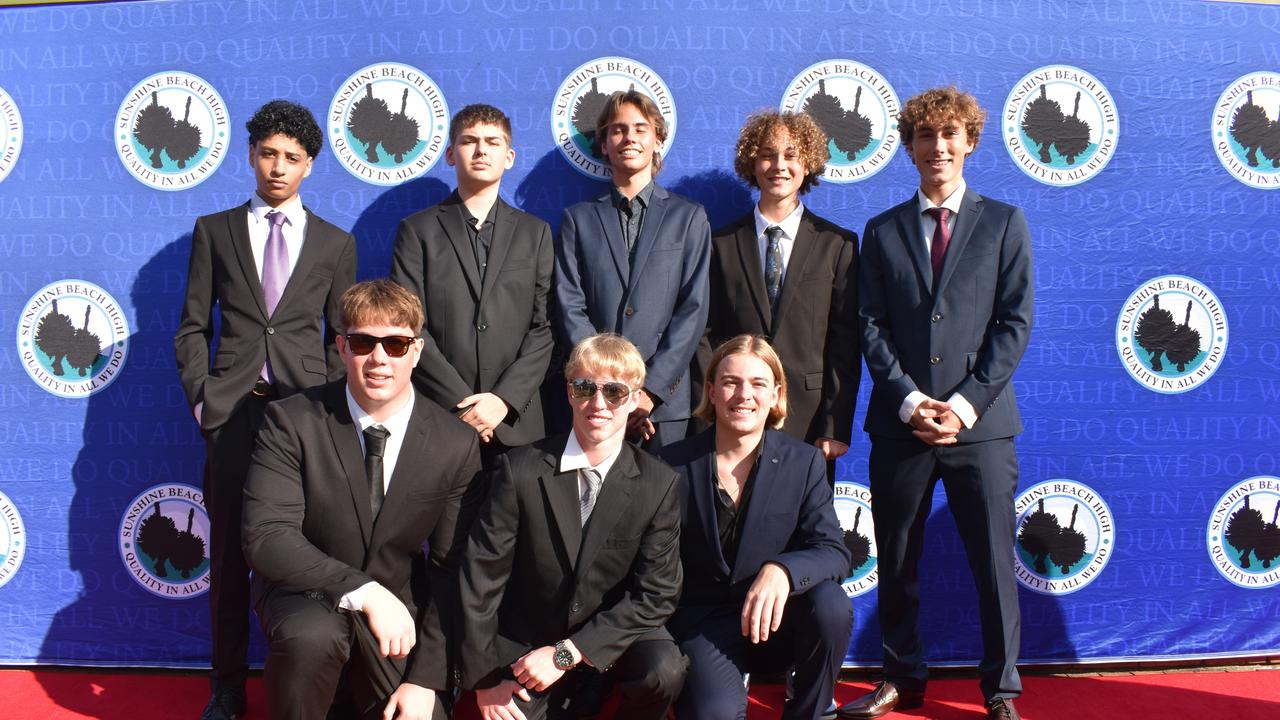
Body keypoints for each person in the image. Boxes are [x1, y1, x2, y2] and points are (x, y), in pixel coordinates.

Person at [837, 87, 1033, 720]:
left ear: (970, 143)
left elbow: (1014, 324)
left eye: (949, 135)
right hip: (903, 428)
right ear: (909, 148)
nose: (938, 147)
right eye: (925, 137)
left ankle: (1001, 692)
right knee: (895, 561)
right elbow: (869, 326)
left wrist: (965, 406)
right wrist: (912, 402)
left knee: (994, 567)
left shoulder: (1004, 223)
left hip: (980, 429)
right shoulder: (882, 230)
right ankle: (902, 677)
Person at [173, 99, 357, 720]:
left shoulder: (335, 243)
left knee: (316, 546)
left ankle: (321, 681)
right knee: (226, 554)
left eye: (292, 158)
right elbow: (191, 328)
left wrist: (338, 412)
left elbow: (342, 340)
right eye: (268, 154)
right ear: (250, 155)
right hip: (234, 412)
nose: (278, 167)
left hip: (308, 418)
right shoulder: (215, 231)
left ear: (310, 166)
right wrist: (204, 396)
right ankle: (226, 688)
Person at [242, 279, 483, 719]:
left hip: (399, 612)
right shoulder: (291, 421)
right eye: (362, 343)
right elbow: (267, 537)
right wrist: (363, 590)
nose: (378, 359)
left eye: (394, 344)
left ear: (416, 350)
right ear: (340, 347)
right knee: (311, 636)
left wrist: (424, 679)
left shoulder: (455, 443)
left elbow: (452, 570)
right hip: (307, 594)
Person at [459, 333, 687, 720]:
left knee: (663, 670)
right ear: (568, 392)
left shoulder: (658, 483)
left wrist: (570, 653)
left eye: (614, 391)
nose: (598, 404)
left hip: (614, 641)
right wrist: (484, 681)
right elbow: (481, 578)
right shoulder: (519, 471)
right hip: (528, 641)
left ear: (635, 399)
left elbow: (657, 595)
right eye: (585, 387)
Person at [661, 335, 852, 720]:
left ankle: (810, 712)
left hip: (780, 622)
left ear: (776, 395)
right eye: (731, 382)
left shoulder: (805, 463)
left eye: (758, 384)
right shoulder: (670, 465)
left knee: (831, 604)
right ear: (711, 391)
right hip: (705, 627)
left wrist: (783, 570)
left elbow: (834, 551)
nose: (743, 395)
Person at [391, 103, 553, 466]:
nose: (481, 150)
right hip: (439, 418)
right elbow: (408, 326)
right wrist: (462, 403)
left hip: (516, 424)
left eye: (492, 142)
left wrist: (502, 401)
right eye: (469, 141)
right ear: (450, 154)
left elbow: (544, 329)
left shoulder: (535, 233)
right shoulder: (418, 232)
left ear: (509, 157)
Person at [698, 111, 858, 477]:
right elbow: (705, 333)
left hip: (809, 421)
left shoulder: (838, 244)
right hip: (734, 415)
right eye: (767, 154)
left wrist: (834, 426)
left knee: (801, 527)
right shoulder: (720, 243)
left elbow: (845, 345)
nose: (779, 165)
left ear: (809, 163)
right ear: (751, 163)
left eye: (791, 155)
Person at [554, 89, 711, 450]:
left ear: (658, 139)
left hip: (663, 409)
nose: (629, 138)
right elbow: (569, 305)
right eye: (618, 130)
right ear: (605, 144)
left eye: (641, 129)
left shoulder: (688, 218)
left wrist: (650, 391)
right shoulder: (578, 220)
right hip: (594, 404)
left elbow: (693, 310)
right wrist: (606, 388)